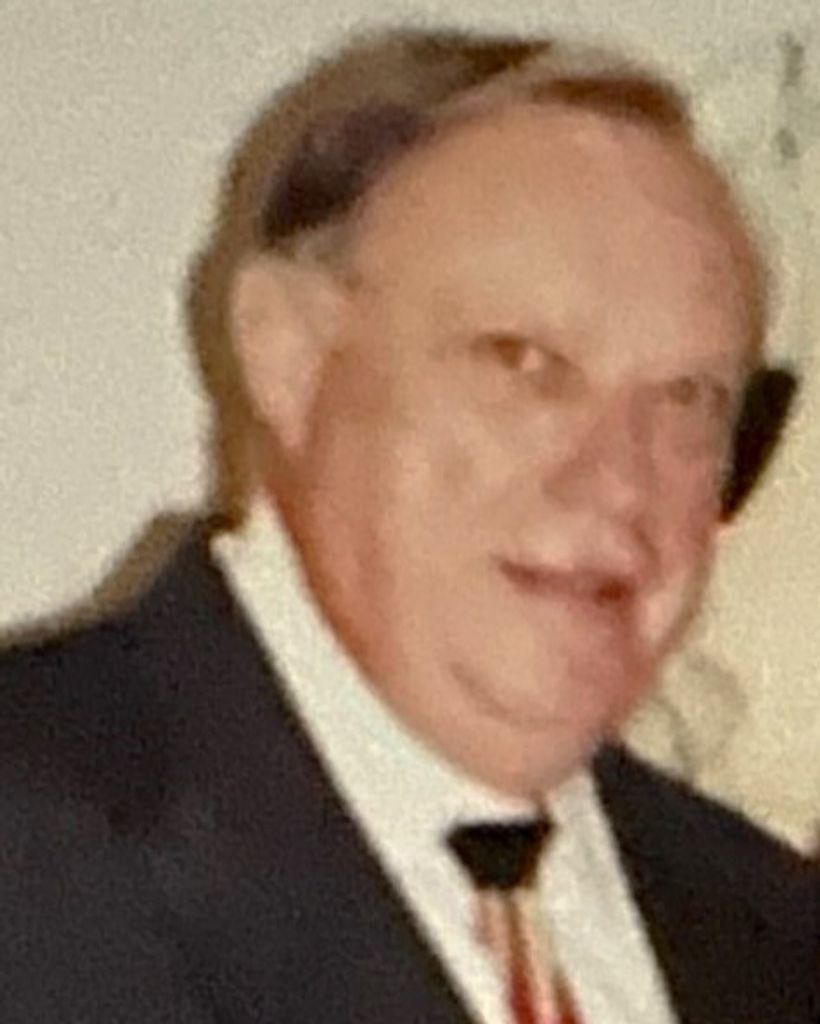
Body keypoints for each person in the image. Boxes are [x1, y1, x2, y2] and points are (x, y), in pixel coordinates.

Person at [0, 26, 815, 1024]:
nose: (617, 482)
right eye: (524, 363)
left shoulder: (772, 927)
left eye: (688, 398)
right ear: (290, 357)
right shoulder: (36, 842)